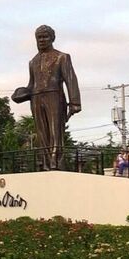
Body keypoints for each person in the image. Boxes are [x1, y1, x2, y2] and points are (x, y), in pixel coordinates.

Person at [11, 25, 81, 170]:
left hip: (54, 96)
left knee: (55, 131)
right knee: (41, 133)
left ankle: (56, 162)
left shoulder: (62, 57)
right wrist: (21, 93)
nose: (42, 40)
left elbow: (71, 80)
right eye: (39, 37)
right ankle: (44, 162)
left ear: (52, 38)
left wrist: (74, 102)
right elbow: (32, 84)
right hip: (36, 98)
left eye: (45, 37)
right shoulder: (33, 62)